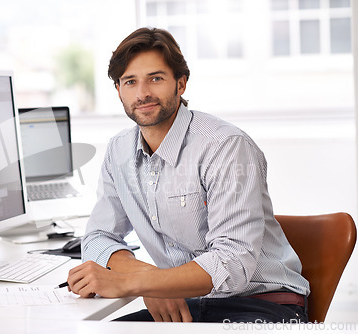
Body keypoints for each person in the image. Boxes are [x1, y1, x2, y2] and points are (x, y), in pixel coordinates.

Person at [66, 27, 310, 323]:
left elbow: (231, 263)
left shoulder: (225, 146)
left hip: (262, 303)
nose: (142, 93)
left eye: (155, 78)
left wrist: (137, 283)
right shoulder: (118, 152)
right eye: (130, 82)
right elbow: (97, 238)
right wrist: (154, 282)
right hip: (188, 303)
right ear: (118, 90)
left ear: (180, 84)